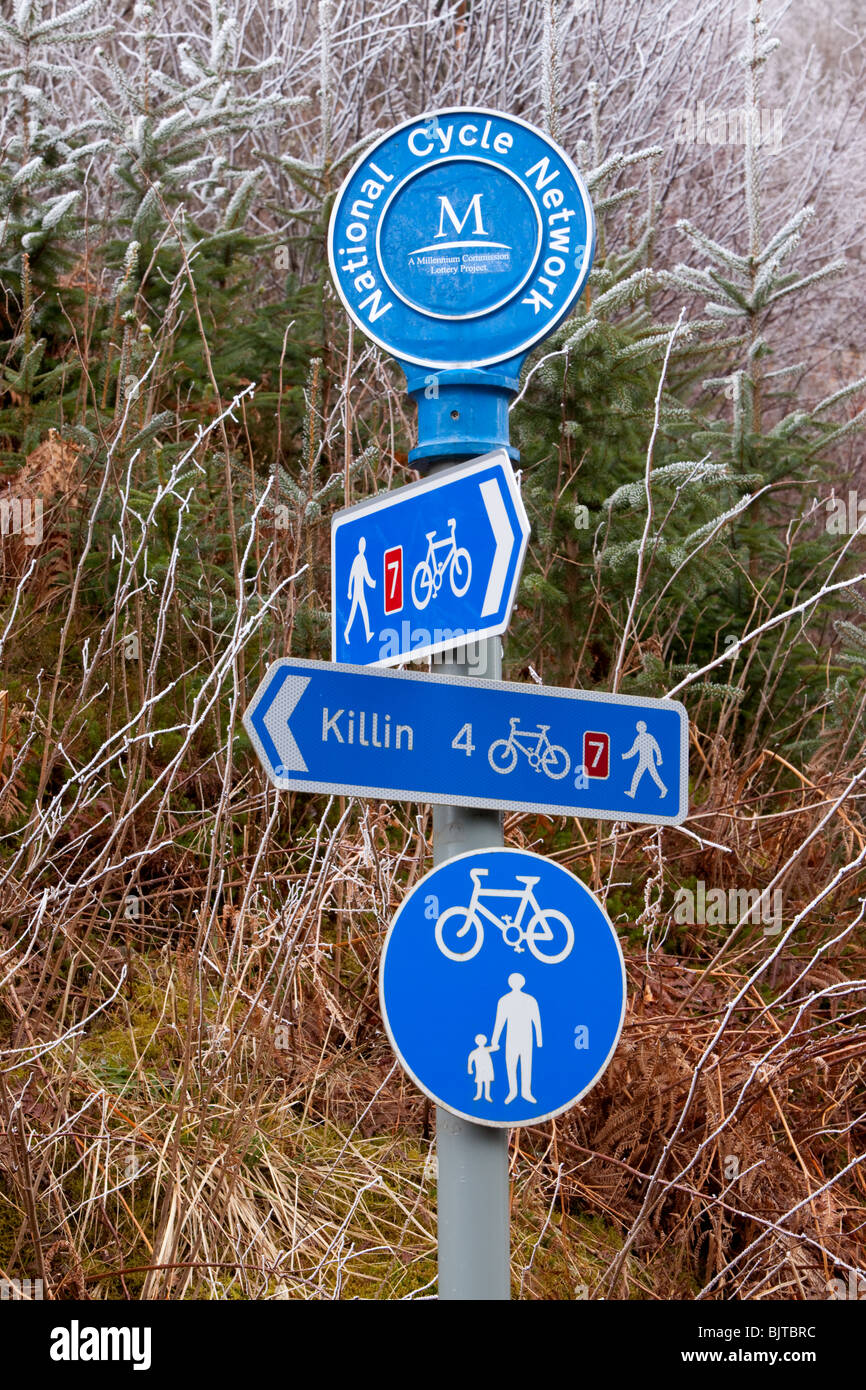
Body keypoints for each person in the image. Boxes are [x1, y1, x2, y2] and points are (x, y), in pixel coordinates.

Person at [490, 973, 542, 1104]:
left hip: (526, 1037)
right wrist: (494, 1040)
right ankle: (512, 1092)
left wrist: (539, 1040)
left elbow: (537, 1021)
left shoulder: (530, 1000)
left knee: (525, 1064)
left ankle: (526, 1092)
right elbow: (500, 1022)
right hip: (512, 1038)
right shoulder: (504, 1000)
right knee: (511, 1065)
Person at [622, 719, 667, 799]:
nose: (639, 728)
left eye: (641, 726)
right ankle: (632, 792)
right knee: (639, 775)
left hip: (648, 761)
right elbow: (633, 750)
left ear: (644, 728)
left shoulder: (649, 737)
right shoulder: (638, 738)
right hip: (643, 761)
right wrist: (624, 756)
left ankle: (663, 789)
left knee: (652, 775)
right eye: (638, 727)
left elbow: (656, 748)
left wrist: (659, 758)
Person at [344, 536, 375, 644]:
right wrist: (349, 591)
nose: (363, 547)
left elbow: (366, 575)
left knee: (358, 612)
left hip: (360, 590)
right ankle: (347, 633)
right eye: (361, 545)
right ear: (359, 546)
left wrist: (373, 583)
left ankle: (365, 634)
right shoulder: (359, 559)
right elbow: (352, 575)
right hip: (357, 591)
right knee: (356, 613)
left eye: (364, 545)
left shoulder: (362, 559)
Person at [467, 1033, 495, 1101]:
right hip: (479, 1069)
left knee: (487, 1081)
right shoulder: (474, 1052)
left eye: (482, 1040)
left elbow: (496, 1047)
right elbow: (470, 1060)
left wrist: (495, 1041)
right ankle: (478, 1095)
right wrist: (469, 1068)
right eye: (479, 1040)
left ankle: (487, 1095)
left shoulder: (487, 1049)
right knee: (479, 1081)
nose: (481, 1042)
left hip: (488, 1068)